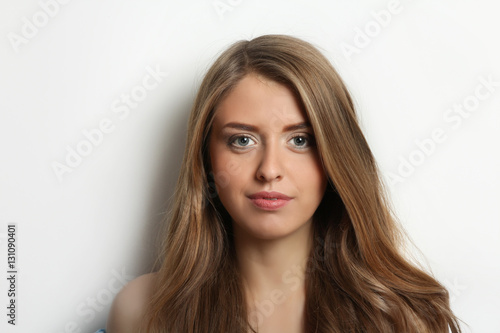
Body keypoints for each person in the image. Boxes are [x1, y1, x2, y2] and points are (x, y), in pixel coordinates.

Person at [105, 34, 462, 332]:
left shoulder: (403, 318)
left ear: (337, 156)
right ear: (205, 159)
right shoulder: (143, 312)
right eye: (242, 140)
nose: (270, 170)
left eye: (300, 140)